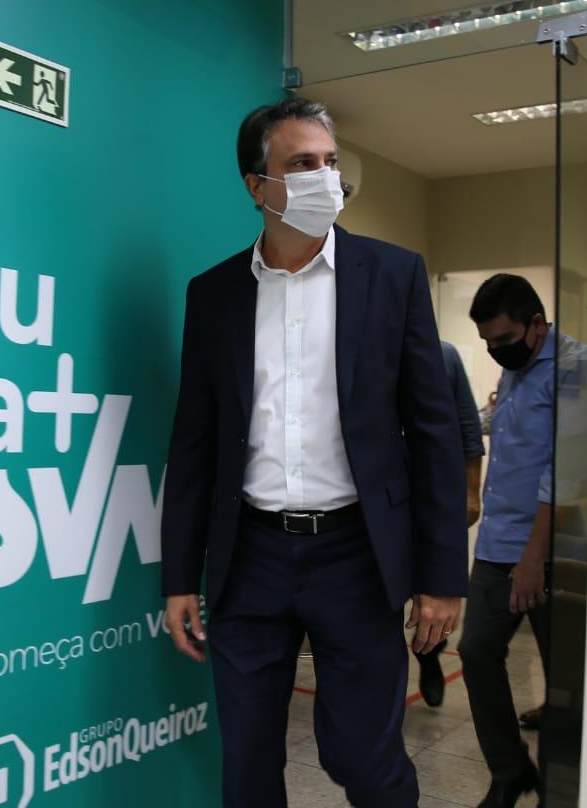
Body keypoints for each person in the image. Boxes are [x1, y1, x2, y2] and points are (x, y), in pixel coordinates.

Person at [159, 97, 468, 808]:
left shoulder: (391, 275)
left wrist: (442, 575)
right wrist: (180, 575)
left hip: (356, 555)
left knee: (364, 761)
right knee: (247, 764)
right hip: (250, 558)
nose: (325, 178)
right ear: (257, 185)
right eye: (302, 164)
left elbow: (433, 434)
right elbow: (195, 440)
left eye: (330, 162)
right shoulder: (214, 295)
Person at [458, 273, 587, 807]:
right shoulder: (516, 368)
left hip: (551, 550)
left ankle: (565, 788)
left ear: (537, 324)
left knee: (567, 679)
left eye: (505, 340)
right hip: (498, 542)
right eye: (488, 343)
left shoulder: (576, 367)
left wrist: (534, 559)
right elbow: (501, 429)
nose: (497, 351)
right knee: (475, 651)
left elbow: (566, 473)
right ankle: (510, 769)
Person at [414, 342, 485, 708]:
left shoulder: (443, 355)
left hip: (432, 494)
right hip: (378, 498)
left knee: (433, 586)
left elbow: (469, 429)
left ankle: (429, 654)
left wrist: (471, 491)